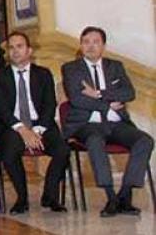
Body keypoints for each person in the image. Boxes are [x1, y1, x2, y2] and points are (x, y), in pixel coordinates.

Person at [61, 26, 153, 217]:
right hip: (86, 125)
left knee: (145, 141)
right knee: (95, 141)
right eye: (86, 42)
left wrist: (99, 94)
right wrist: (108, 105)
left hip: (117, 124)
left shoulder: (115, 66)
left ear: (103, 45)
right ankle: (111, 197)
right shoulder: (71, 68)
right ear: (81, 45)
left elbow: (129, 93)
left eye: (95, 42)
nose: (91, 46)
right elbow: (77, 99)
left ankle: (125, 195)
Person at [0, 31, 69, 214]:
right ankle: (22, 198)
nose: (15, 51)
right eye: (11, 47)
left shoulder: (43, 74)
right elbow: (1, 109)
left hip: (41, 124)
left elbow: (50, 105)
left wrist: (37, 130)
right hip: (12, 125)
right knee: (9, 151)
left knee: (63, 150)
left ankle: (49, 196)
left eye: (20, 46)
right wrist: (23, 130)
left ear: (29, 50)